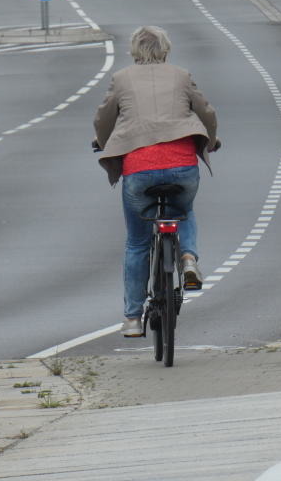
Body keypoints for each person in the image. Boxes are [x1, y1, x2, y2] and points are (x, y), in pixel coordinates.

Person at [93, 26, 219, 338]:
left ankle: (133, 319)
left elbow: (103, 118)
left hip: (139, 170)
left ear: (135, 51)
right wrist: (210, 141)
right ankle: (188, 258)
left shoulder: (121, 79)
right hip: (181, 166)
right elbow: (207, 111)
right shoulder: (181, 75)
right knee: (183, 210)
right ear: (166, 49)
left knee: (137, 243)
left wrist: (103, 142)